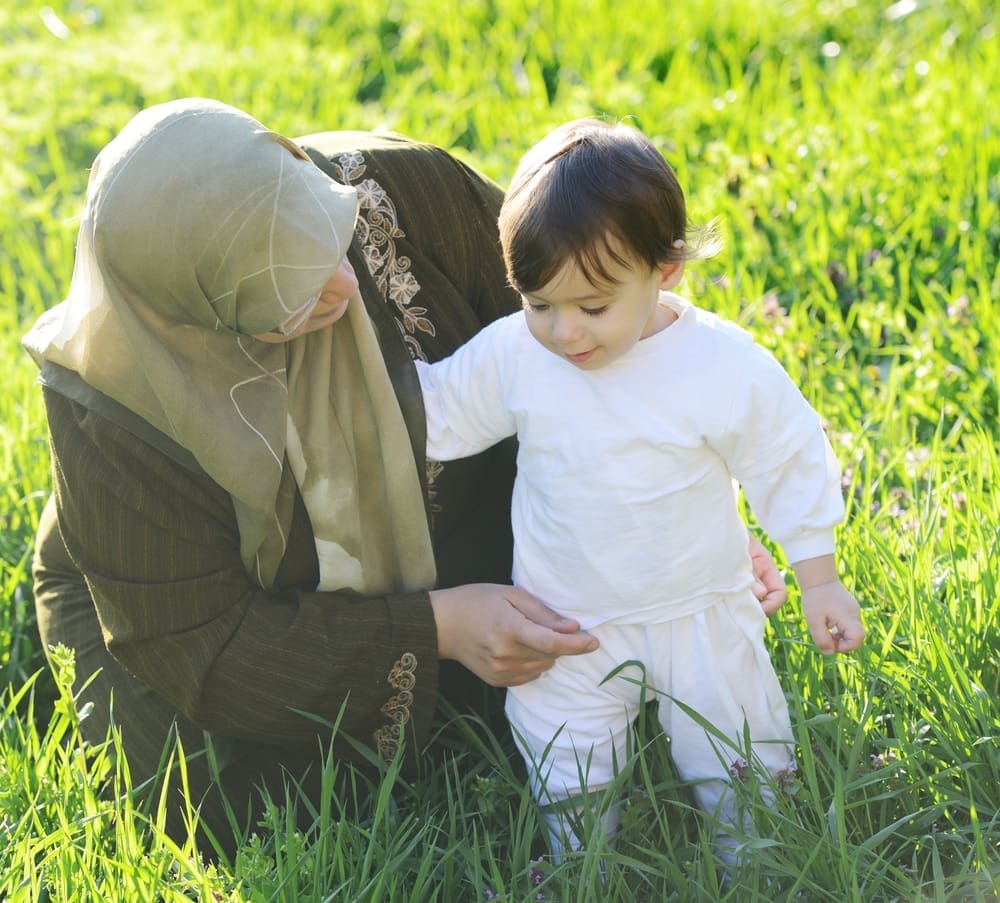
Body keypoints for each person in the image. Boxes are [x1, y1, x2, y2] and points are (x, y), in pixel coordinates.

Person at [23, 99, 786, 855]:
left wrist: (690, 523)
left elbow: (605, 328)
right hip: (225, 626)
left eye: (327, 232)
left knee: (613, 678)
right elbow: (202, 644)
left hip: (471, 516)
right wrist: (441, 628)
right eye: (289, 288)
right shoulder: (113, 416)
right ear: (198, 311)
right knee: (235, 805)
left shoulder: (397, 194)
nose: (343, 284)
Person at [415, 118, 866, 864]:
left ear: (665, 270)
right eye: (539, 303)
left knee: (740, 749)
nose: (564, 332)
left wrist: (818, 575)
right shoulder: (517, 353)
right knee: (568, 758)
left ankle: (754, 859)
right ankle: (582, 859)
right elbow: (437, 412)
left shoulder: (718, 364)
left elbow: (784, 454)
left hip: (702, 610)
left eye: (592, 307)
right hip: (570, 619)